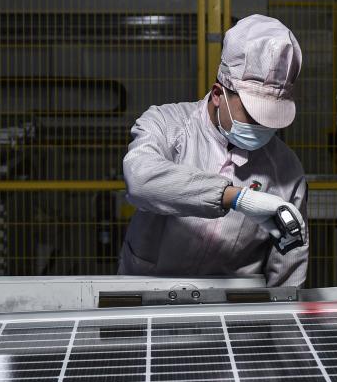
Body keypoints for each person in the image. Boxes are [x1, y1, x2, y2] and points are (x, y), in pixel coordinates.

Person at [118, 14, 308, 286]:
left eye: (271, 120)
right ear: (218, 94)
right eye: (252, 115)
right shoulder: (166, 125)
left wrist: (283, 310)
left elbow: (289, 265)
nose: (262, 127)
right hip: (148, 288)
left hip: (233, 304)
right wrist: (236, 198)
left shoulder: (286, 169)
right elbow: (140, 180)